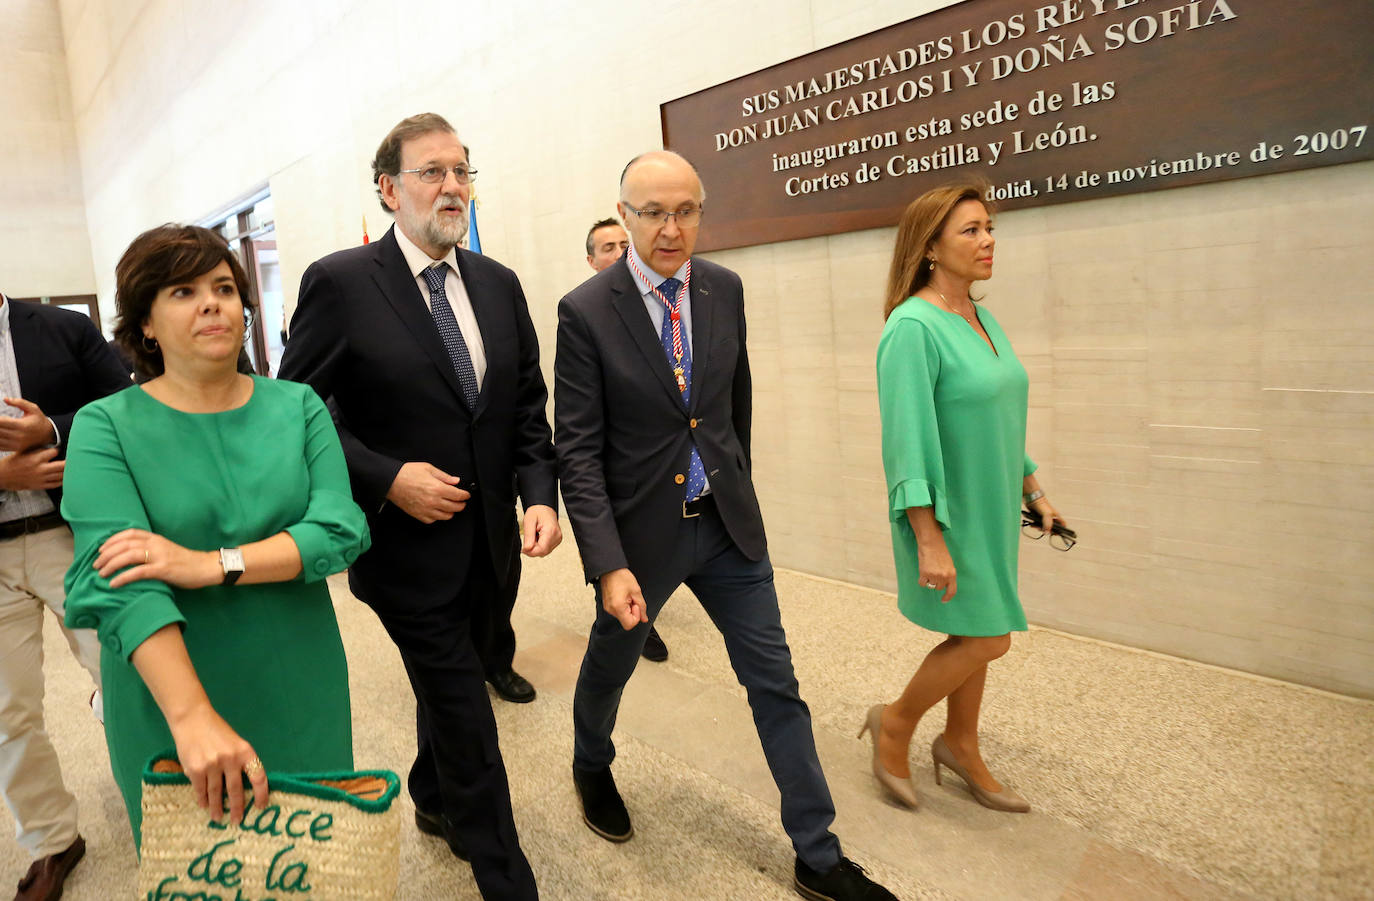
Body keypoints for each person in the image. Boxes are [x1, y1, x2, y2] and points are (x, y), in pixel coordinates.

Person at [555, 150, 899, 901]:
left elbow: (730, 406)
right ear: (625, 216)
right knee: (610, 666)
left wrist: (733, 484)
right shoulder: (585, 311)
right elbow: (576, 450)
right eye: (652, 213)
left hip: (726, 528)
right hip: (640, 539)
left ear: (702, 213)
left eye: (686, 211)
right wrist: (607, 562)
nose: (671, 228)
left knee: (775, 681)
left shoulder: (723, 288)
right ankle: (590, 760)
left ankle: (818, 851)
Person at [279, 113, 558, 901]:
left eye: (462, 171)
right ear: (389, 188)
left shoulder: (498, 283)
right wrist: (383, 474)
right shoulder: (340, 282)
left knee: (459, 680)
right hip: (403, 549)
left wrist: (539, 494)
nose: (452, 187)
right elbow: (296, 404)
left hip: (493, 546)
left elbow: (525, 406)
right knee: (469, 713)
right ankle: (505, 871)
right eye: (432, 171)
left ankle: (432, 796)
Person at [60, 224, 370, 847]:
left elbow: (338, 532)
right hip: (169, 688)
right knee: (201, 870)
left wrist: (208, 564)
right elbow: (119, 581)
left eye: (224, 288)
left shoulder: (299, 406)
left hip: (294, 672)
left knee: (307, 861)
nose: (211, 303)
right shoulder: (105, 426)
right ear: (145, 323)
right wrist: (192, 717)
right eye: (182, 291)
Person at [867, 182, 1067, 813]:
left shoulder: (980, 316)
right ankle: (894, 723)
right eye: (971, 230)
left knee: (975, 629)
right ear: (929, 247)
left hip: (993, 502)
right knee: (989, 636)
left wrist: (1034, 486)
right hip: (945, 512)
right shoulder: (912, 327)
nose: (988, 241)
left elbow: (998, 415)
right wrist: (928, 534)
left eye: (990, 228)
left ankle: (960, 742)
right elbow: (907, 440)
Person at [0, 293, 128, 901]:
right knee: (7, 712)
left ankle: (169, 802)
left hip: (72, 533)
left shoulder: (62, 327)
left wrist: (54, 428)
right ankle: (53, 841)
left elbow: (128, 404)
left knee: (128, 672)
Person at [582, 216, 668, 663]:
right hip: (616, 471)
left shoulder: (664, 305)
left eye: (622, 243)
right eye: (607, 248)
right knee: (618, 560)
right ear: (592, 260)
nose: (618, 252)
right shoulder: (584, 314)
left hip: (661, 467)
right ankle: (634, 627)